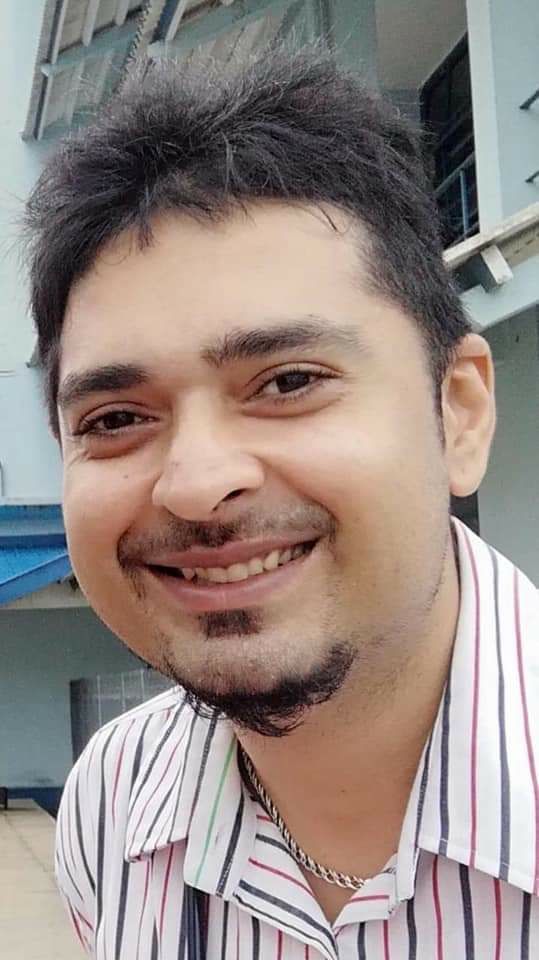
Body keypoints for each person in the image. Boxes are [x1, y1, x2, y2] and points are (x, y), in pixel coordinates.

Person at [24, 43, 538, 959]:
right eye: (116, 418)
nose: (195, 483)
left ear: (457, 410)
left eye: (288, 380)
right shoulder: (112, 801)